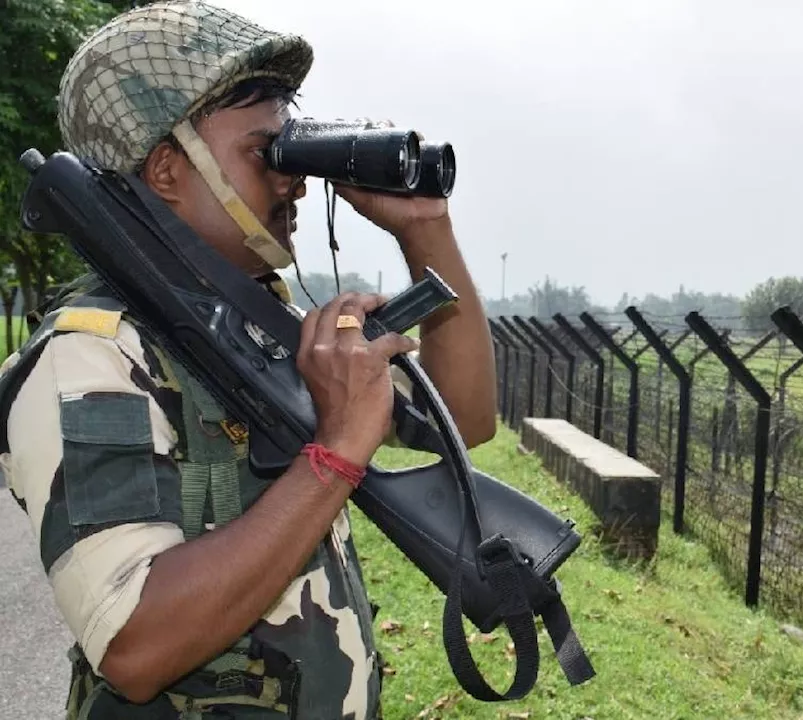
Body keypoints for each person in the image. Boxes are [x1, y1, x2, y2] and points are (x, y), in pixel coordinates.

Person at [0, 1, 496, 718]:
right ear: (167, 169)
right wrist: (334, 453)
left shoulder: (261, 329)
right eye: (266, 152)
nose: (293, 179)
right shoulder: (90, 352)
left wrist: (428, 232)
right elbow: (133, 645)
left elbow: (467, 416)